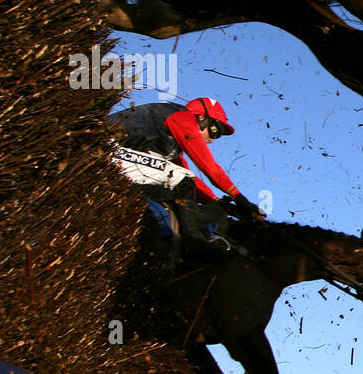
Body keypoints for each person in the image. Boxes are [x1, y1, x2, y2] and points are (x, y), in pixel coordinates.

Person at [108, 96, 264, 262]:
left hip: (124, 157)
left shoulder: (170, 142)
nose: (212, 139)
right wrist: (239, 197)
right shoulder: (181, 116)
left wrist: (216, 202)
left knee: (180, 179)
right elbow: (209, 167)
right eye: (214, 130)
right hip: (108, 149)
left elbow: (191, 181)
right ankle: (193, 240)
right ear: (201, 118)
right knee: (180, 177)